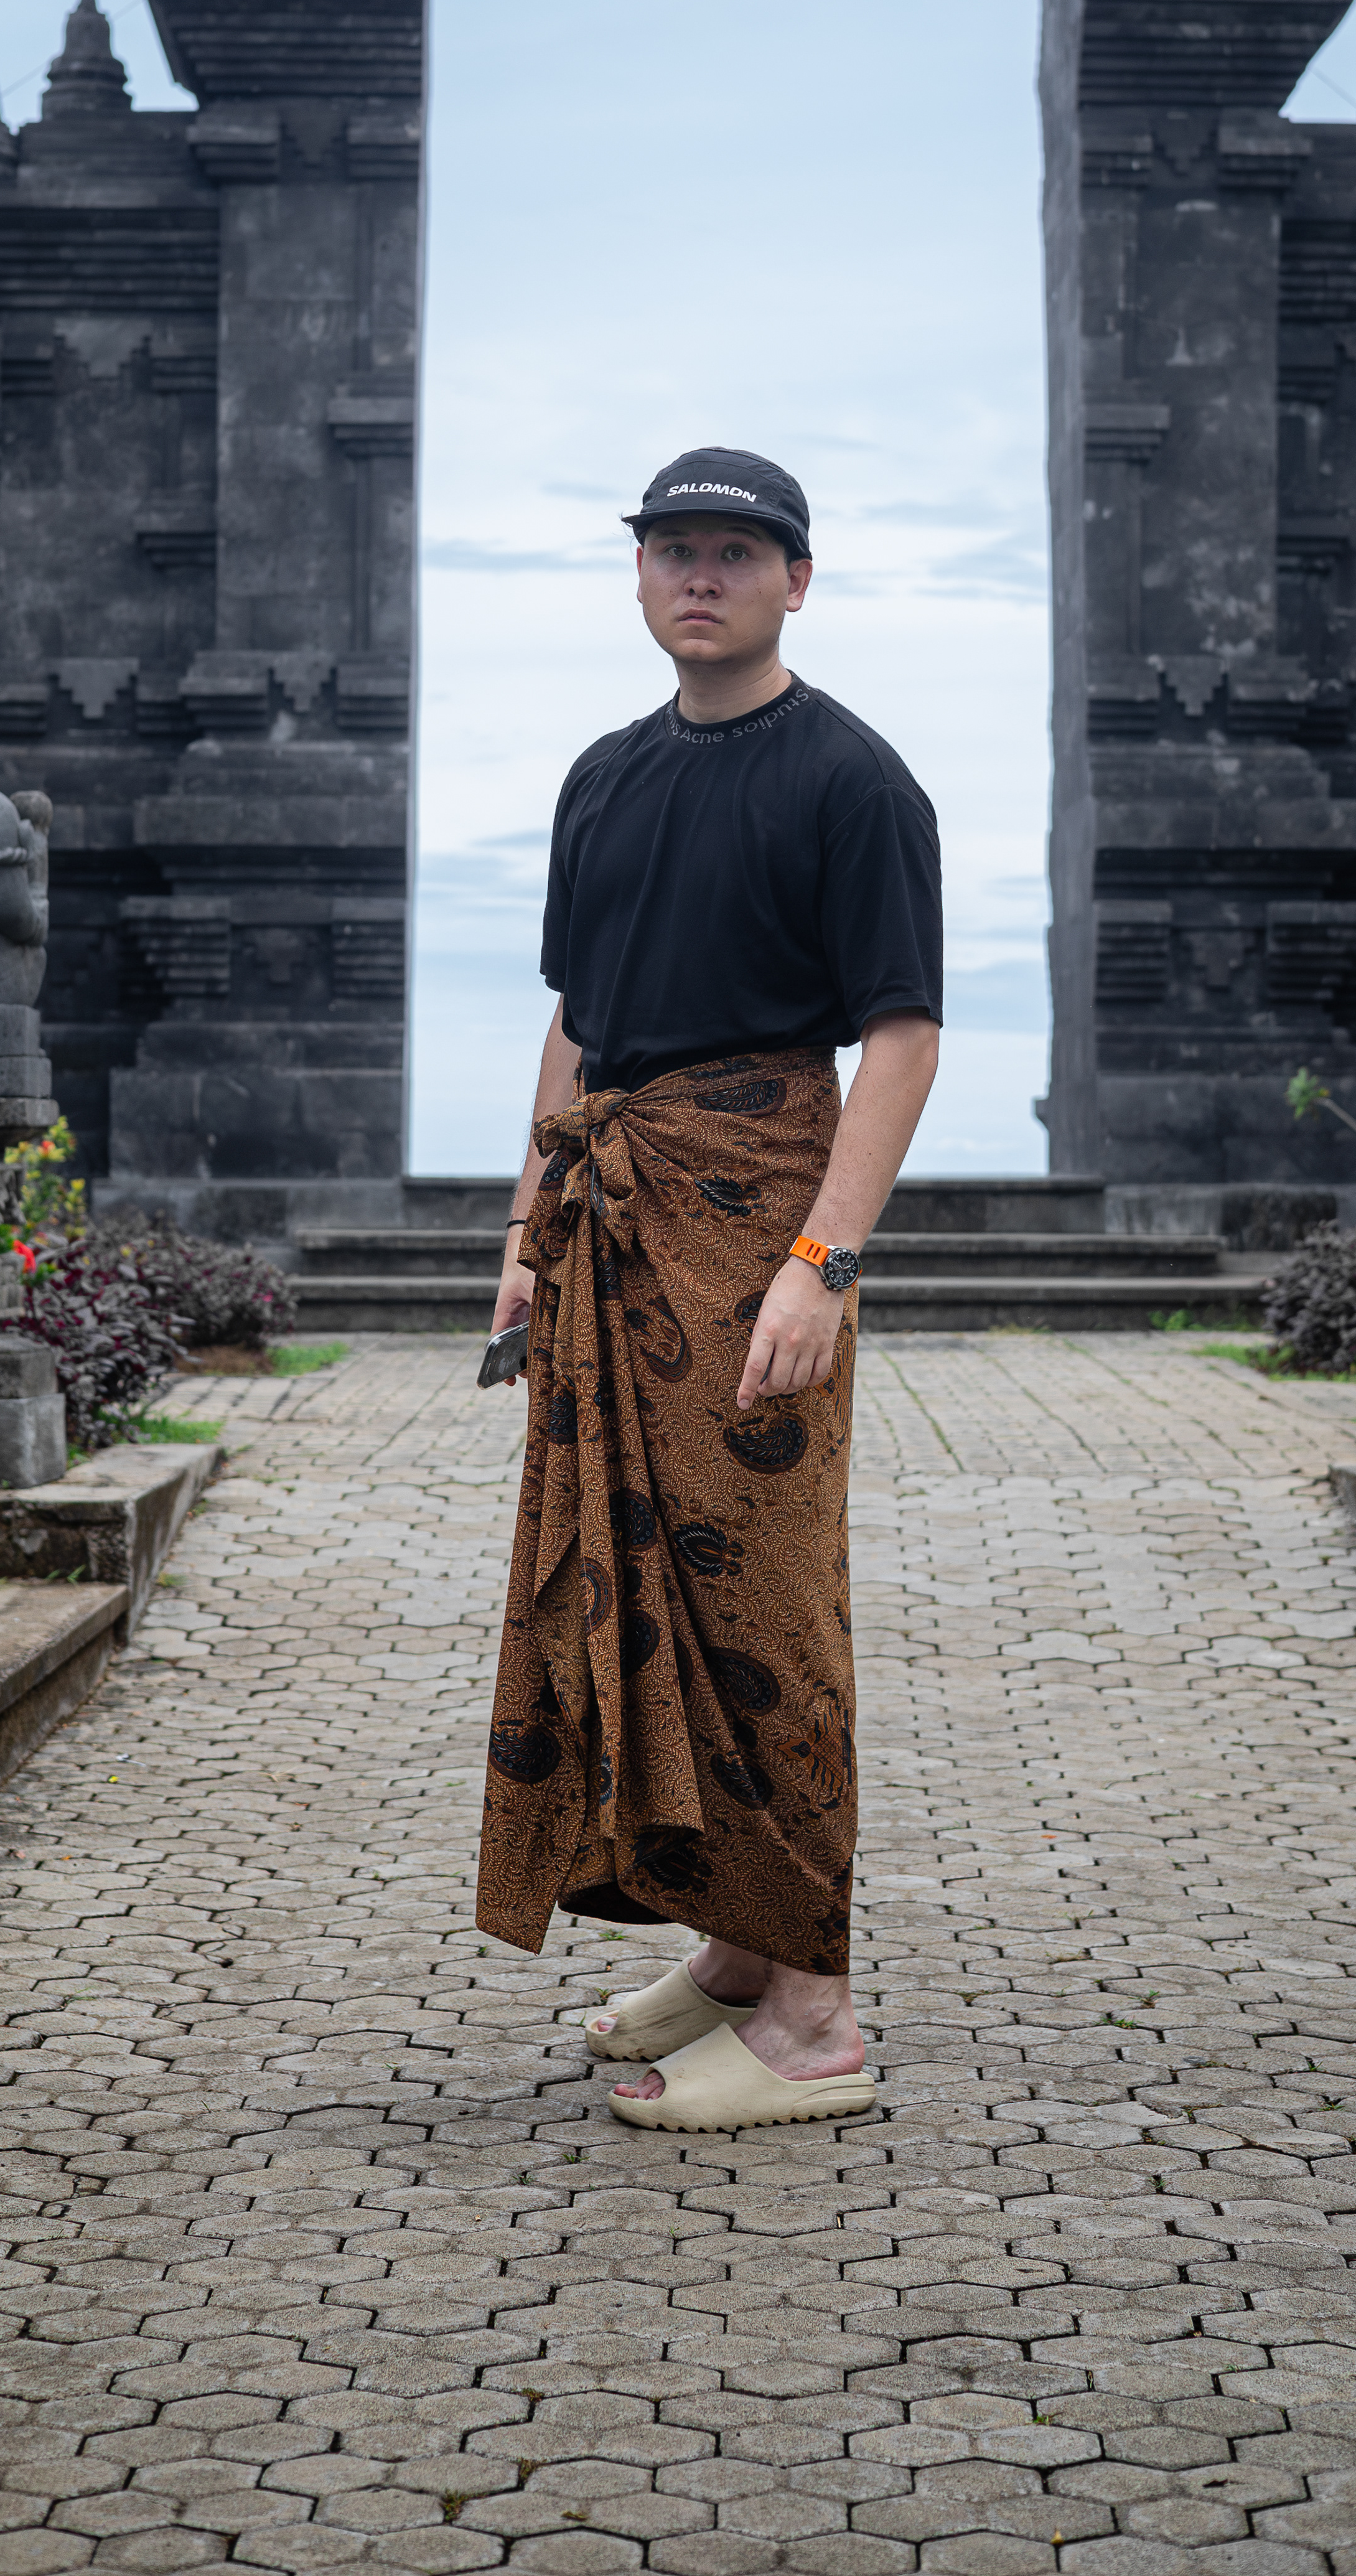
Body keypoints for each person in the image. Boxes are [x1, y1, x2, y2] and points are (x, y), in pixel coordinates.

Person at [474, 447, 942, 2133]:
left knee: (766, 1611)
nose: (701, 576)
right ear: (645, 576)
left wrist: (823, 1259)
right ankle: (738, 1952)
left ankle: (814, 2012)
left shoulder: (854, 781)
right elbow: (580, 1030)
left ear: (795, 581)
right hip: (611, 1219)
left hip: (757, 1219)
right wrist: (527, 1224)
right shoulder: (604, 779)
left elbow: (900, 1037)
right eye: (675, 549)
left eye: (736, 553)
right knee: (626, 1584)